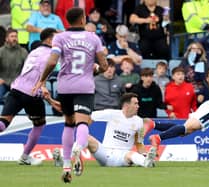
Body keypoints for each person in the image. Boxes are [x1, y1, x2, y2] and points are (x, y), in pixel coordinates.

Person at [32, 7, 108, 183]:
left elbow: (52, 60)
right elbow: (103, 65)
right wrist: (96, 69)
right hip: (84, 86)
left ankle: (66, 165)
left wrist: (42, 80)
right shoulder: (93, 38)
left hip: (65, 86)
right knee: (82, 122)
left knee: (68, 123)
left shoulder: (59, 37)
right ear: (82, 19)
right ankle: (78, 147)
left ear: (67, 21)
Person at [0, 28, 58, 165]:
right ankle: (25, 157)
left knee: (3, 124)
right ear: (49, 40)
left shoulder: (33, 52)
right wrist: (43, 87)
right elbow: (43, 71)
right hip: (32, 93)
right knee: (39, 125)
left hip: (16, 89)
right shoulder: (51, 54)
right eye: (56, 38)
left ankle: (25, 157)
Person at [87, 92, 157, 168]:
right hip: (104, 153)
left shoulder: (139, 122)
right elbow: (91, 117)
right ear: (126, 105)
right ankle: (73, 156)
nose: (138, 106)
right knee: (85, 136)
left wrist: (144, 154)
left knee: (131, 155)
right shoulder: (112, 114)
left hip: (122, 156)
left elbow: (139, 143)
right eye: (135, 104)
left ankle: (146, 162)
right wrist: (83, 128)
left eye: (138, 104)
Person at [0, 28, 28, 104]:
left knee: (24, 99)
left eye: (16, 36)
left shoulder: (23, 51)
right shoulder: (1, 51)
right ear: (6, 39)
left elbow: (27, 69)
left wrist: (21, 81)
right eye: (12, 36)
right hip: (3, 82)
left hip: (18, 83)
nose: (14, 38)